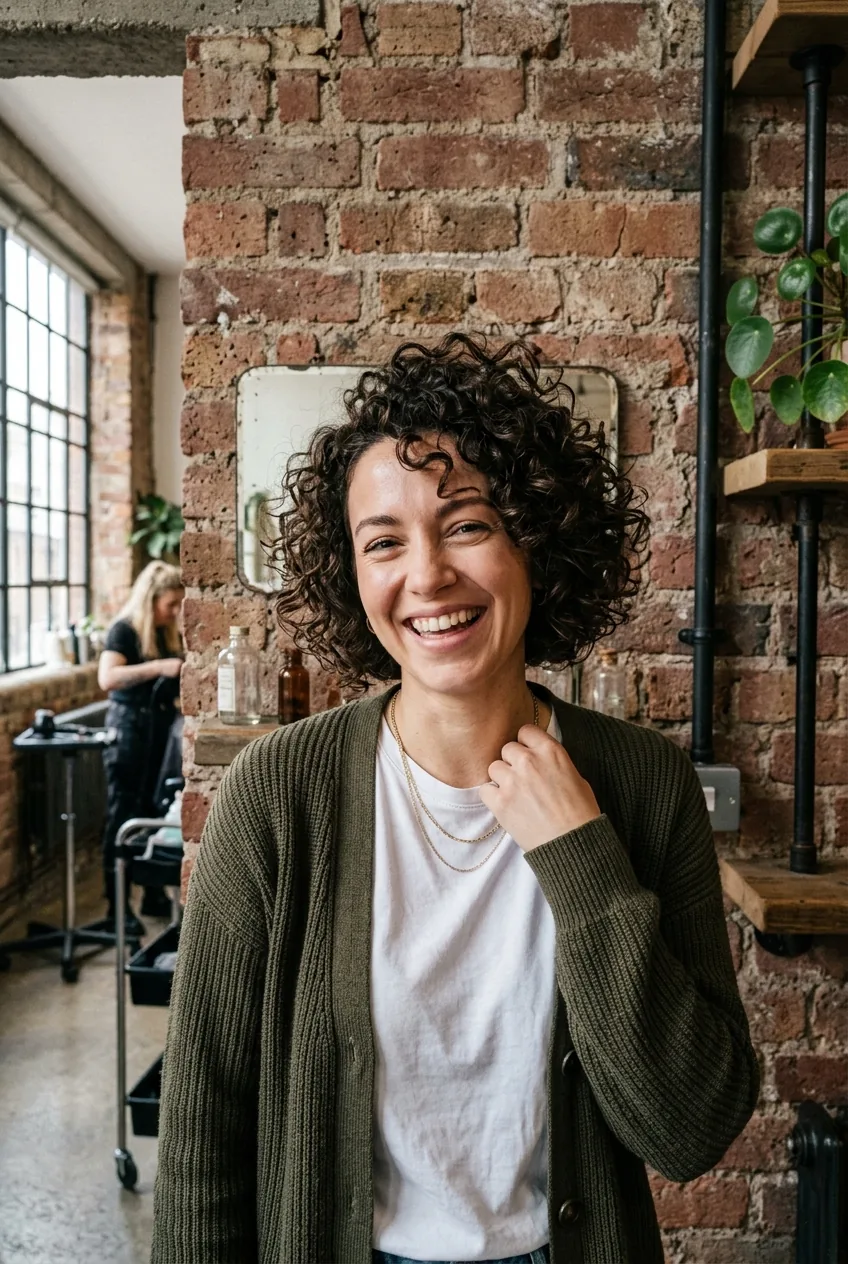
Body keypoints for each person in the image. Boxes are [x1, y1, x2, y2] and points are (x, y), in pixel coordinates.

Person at [152, 335, 758, 1264]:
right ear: (353, 576)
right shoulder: (276, 794)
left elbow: (691, 1130)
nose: (426, 574)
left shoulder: (641, 785)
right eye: (384, 542)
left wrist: (583, 862)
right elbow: (202, 1136)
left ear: (535, 539)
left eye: (468, 524)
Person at [97, 560, 184, 936]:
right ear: (151, 601)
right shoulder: (124, 631)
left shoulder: (164, 633)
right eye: (171, 604)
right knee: (122, 815)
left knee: (153, 808)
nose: (176, 611)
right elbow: (108, 678)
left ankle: (151, 896)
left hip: (157, 731)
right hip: (128, 731)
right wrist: (159, 668)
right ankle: (117, 907)